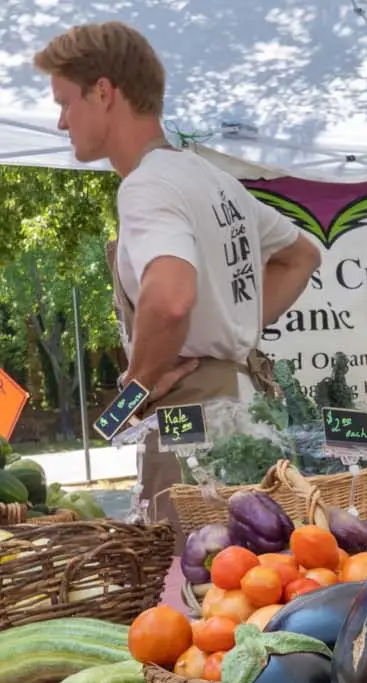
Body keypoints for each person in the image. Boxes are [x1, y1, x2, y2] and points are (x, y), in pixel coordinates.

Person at [33, 21, 321, 537]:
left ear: (103, 92)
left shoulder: (146, 186)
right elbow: (302, 256)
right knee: (252, 585)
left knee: (188, 591)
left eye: (65, 102)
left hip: (187, 426)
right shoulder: (213, 180)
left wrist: (136, 389)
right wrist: (234, 330)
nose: (60, 123)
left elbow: (169, 299)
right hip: (246, 410)